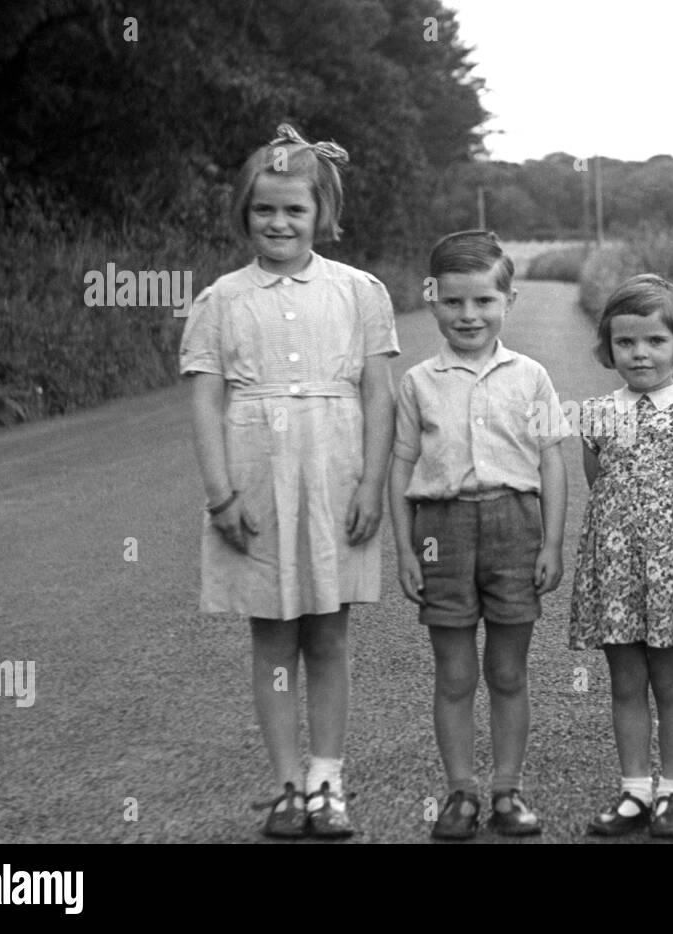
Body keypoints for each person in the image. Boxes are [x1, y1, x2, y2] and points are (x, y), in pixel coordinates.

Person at [179, 124, 398, 839]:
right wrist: (220, 494)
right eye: (265, 210)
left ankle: (327, 779)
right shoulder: (220, 299)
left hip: (336, 473)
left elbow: (378, 395)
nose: (278, 223)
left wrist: (371, 486)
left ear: (320, 215)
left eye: (294, 211)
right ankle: (284, 785)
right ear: (245, 212)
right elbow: (206, 398)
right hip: (256, 476)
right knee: (273, 636)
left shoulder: (360, 292)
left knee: (329, 635)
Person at [390, 229, 567, 839]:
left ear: (508, 301)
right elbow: (400, 466)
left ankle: (508, 790)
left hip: (515, 526)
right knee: (455, 674)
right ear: (432, 299)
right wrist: (405, 550)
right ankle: (460, 792)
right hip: (442, 528)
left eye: (484, 301)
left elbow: (550, 461)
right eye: (453, 301)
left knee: (510, 673)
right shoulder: (417, 382)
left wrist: (551, 543)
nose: (469, 315)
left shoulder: (532, 377)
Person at [570, 274, 673, 838]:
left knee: (671, 684)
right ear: (608, 347)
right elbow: (601, 483)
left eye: (654, 342)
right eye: (626, 343)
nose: (640, 353)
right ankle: (634, 790)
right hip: (616, 569)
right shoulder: (597, 413)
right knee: (624, 683)